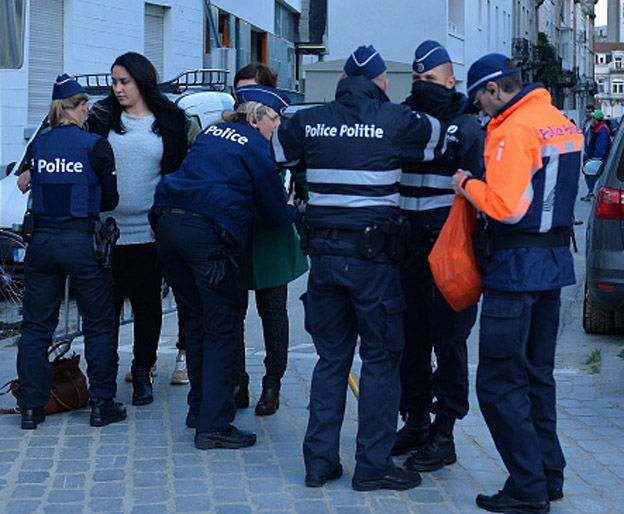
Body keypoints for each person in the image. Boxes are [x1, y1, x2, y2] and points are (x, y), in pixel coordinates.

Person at [271, 45, 447, 491]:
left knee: (331, 360)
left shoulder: (306, 120)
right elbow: (441, 138)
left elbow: (278, 153)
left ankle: (319, 463)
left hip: (325, 259)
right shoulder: (397, 121)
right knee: (382, 361)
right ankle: (372, 465)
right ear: (382, 83)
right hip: (374, 264)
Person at [452, 53, 582, 513]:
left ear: (493, 90)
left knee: (498, 382)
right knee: (536, 375)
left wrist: (466, 183)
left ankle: (527, 487)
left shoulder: (512, 130)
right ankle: (548, 475)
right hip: (554, 263)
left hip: (516, 266)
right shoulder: (557, 120)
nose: (480, 110)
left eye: (479, 100)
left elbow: (504, 206)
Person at [151, 84, 297, 450]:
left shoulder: (211, 132)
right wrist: (295, 206)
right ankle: (214, 425)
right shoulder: (257, 149)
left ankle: (198, 409)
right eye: (274, 118)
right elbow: (275, 215)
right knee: (222, 326)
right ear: (254, 116)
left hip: (168, 227)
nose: (277, 126)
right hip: (206, 237)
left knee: (197, 322)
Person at [16, 74, 125, 429]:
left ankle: (31, 408)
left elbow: (28, 183)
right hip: (82, 243)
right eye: (86, 106)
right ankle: (101, 404)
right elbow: (110, 200)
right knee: (98, 324)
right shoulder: (95, 145)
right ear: (79, 107)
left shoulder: (39, 146)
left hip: (42, 243)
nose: (88, 111)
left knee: (35, 328)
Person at [394, 41, 483, 472]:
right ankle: (414, 420)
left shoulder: (466, 128)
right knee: (409, 342)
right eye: (416, 81)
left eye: (430, 81)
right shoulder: (404, 122)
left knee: (449, 343)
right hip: (407, 247)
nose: (422, 87)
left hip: (448, 251)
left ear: (451, 83)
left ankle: (444, 432)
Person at [88, 52, 190, 405]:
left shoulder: (171, 120)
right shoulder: (99, 118)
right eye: (113, 81)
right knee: (107, 308)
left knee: (147, 305)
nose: (117, 89)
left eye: (124, 81)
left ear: (142, 81)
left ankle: (143, 370)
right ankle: (104, 376)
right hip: (106, 234)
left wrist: (165, 220)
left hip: (149, 231)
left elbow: (176, 176)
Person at [231, 63, 308, 415]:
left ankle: (272, 385)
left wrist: (299, 205)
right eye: (239, 92)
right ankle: (237, 381)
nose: (242, 100)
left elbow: (302, 173)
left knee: (273, 313)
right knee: (232, 313)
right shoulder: (228, 131)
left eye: (250, 91)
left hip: (272, 232)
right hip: (237, 233)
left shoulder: (282, 129)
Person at [581, 109, 611, 201]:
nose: (591, 118)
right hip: (591, 155)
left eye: (593, 117)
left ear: (596, 119)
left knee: (593, 175)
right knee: (589, 175)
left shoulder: (602, 130)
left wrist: (596, 158)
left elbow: (601, 146)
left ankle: (593, 192)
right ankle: (591, 192)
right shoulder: (594, 127)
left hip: (595, 158)